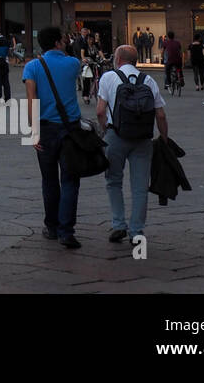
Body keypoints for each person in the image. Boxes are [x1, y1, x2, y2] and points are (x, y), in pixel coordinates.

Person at [96, 45, 169, 244]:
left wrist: (105, 131)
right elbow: (160, 115)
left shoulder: (108, 78)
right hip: (142, 139)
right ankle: (137, 230)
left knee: (113, 181)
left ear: (118, 58)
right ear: (135, 60)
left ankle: (119, 223)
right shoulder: (149, 80)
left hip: (116, 135)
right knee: (139, 186)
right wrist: (163, 138)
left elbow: (100, 111)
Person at [23, 25, 84, 249]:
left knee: (49, 180)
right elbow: (71, 65)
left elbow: (31, 99)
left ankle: (52, 226)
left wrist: (33, 131)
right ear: (58, 42)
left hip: (45, 129)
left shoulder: (32, 67)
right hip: (70, 129)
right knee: (70, 179)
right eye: (64, 40)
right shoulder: (72, 63)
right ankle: (67, 231)